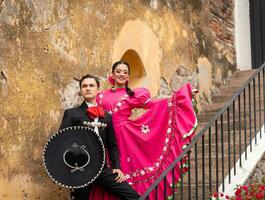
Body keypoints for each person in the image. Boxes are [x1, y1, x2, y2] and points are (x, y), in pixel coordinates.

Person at [90, 61, 198, 200]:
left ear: (128, 77)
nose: (121, 74)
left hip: (124, 137)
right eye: (118, 71)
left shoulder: (132, 95)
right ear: (112, 74)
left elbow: (153, 104)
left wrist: (179, 97)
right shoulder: (100, 95)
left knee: (125, 171)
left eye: (125, 72)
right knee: (107, 174)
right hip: (104, 137)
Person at [60, 74, 140, 200]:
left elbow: (112, 145)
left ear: (97, 89)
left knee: (133, 196)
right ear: (81, 90)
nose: (88, 88)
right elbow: (62, 141)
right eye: (84, 86)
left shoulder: (107, 116)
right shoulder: (71, 114)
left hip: (102, 168)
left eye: (91, 85)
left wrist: (117, 167)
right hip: (80, 168)